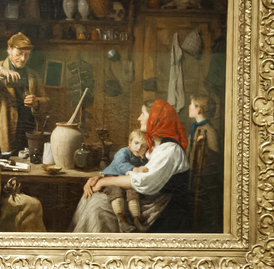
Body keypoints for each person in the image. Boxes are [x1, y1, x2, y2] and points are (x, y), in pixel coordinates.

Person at [71, 99, 190, 233]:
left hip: (159, 206)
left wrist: (105, 181)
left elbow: (143, 181)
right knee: (91, 196)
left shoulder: (170, 150)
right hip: (147, 197)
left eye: (143, 114)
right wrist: (100, 178)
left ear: (154, 119)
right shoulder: (155, 147)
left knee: (97, 207)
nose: (139, 118)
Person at [0, 31, 46, 154]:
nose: (23, 59)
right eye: (19, 54)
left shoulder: (34, 75)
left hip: (29, 132)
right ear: (9, 49)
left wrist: (37, 102)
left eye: (27, 55)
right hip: (5, 131)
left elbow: (47, 101)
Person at [99, 128, 151, 231]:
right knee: (116, 192)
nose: (139, 147)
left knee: (133, 192)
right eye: (136, 143)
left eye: (143, 146)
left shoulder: (143, 159)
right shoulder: (124, 152)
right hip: (112, 176)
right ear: (130, 143)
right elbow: (120, 165)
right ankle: (121, 221)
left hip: (126, 180)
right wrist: (134, 169)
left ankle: (137, 220)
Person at [187, 94, 223, 233]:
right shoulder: (195, 128)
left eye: (192, 104)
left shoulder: (209, 130)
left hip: (205, 184)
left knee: (206, 217)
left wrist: (203, 148)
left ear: (199, 109)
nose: (189, 107)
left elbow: (215, 158)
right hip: (194, 179)